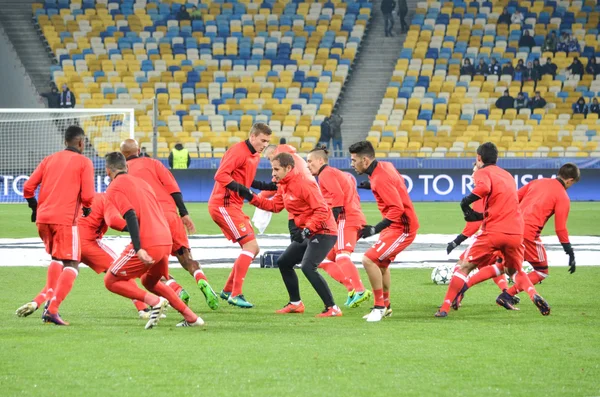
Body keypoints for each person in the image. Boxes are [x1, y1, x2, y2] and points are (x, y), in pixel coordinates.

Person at [435, 142, 550, 318]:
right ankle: (533, 294)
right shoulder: (508, 176)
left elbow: (484, 188)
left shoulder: (482, 172)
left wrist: (465, 202)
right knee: (515, 271)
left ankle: (444, 308)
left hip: (493, 231)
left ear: (479, 158)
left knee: (464, 267)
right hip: (516, 233)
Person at [103, 152, 204, 328]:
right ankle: (192, 318)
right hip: (165, 241)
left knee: (110, 280)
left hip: (148, 242)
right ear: (126, 167)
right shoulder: (142, 183)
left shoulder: (114, 187)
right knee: (149, 281)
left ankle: (154, 301)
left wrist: (139, 247)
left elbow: (130, 215)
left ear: (107, 171)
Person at [459, 164, 580, 306]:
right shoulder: (562, 196)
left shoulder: (537, 182)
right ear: (570, 180)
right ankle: (507, 295)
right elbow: (560, 229)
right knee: (541, 271)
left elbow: (513, 198)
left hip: (511, 228)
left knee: (500, 266)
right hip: (529, 235)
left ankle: (462, 288)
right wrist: (569, 252)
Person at [120, 139, 219, 310]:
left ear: (122, 154)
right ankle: (201, 279)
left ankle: (176, 289)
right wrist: (184, 213)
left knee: (151, 266)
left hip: (151, 220)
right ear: (138, 149)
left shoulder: (124, 173)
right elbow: (173, 187)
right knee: (186, 258)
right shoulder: (154, 163)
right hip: (171, 216)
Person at [243, 152, 343, 317]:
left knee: (308, 267)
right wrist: (250, 196)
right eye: (272, 169)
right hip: (310, 232)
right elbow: (274, 206)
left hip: (324, 231)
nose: (272, 173)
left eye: (276, 169)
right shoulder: (284, 185)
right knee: (284, 262)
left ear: (288, 168)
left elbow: (322, 211)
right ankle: (296, 304)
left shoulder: (304, 183)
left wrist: (307, 230)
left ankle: (333, 307)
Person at [20, 126, 95, 325]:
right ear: (81, 143)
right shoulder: (84, 162)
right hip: (65, 220)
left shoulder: (49, 159)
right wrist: (87, 208)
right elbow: (88, 196)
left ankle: (47, 304)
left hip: (43, 219)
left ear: (65, 142)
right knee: (72, 263)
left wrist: (35, 208)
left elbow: (27, 188)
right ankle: (52, 309)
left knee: (56, 259)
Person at [349, 141, 419, 322]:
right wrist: (371, 184)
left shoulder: (380, 178)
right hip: (395, 226)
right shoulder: (384, 167)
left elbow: (397, 209)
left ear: (365, 160)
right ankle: (385, 306)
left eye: (354, 160)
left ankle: (379, 307)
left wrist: (375, 229)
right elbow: (397, 182)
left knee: (368, 259)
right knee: (380, 264)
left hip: (402, 228)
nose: (351, 164)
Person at [208, 123, 272, 308]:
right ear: (252, 136)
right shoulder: (238, 151)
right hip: (224, 205)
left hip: (233, 206)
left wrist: (270, 187)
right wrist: (242, 190)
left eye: (267, 141)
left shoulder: (254, 155)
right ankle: (236, 294)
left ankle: (228, 290)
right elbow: (221, 175)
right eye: (262, 140)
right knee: (251, 247)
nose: (265, 145)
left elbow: (248, 180)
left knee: (252, 248)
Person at [306, 147, 371, 308]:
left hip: (345, 218)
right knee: (324, 259)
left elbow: (338, 197)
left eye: (309, 161)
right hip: (350, 217)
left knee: (342, 256)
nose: (307, 165)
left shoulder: (326, 173)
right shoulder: (334, 173)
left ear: (320, 161)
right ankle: (351, 289)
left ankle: (360, 290)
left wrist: (331, 221)